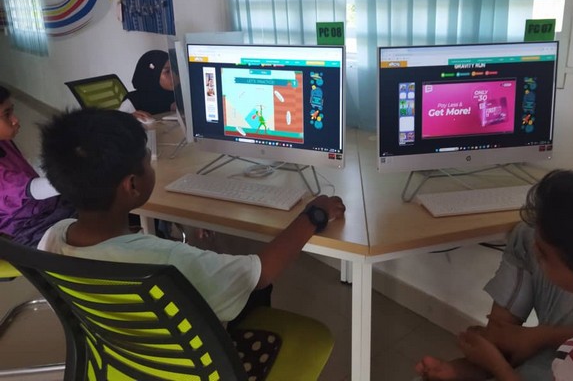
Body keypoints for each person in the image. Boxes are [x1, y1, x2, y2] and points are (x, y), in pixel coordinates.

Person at [37, 107, 346, 324]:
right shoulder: (166, 263)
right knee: (257, 292)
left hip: (122, 358)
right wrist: (313, 215)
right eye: (147, 159)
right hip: (195, 367)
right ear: (132, 185)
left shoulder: (52, 239)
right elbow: (260, 273)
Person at [416, 160, 573, 381]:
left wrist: (497, 366)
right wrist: (539, 336)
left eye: (543, 255)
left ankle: (495, 360)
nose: (534, 250)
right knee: (526, 232)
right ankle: (499, 346)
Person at [0, 86, 76, 247]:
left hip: (51, 206)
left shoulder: (4, 142)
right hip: (32, 228)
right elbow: (35, 190)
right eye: (7, 115)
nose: (15, 120)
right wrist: (82, 171)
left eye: (12, 111)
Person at [119, 50, 177, 121]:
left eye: (175, 69)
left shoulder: (177, 95)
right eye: (167, 71)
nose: (174, 75)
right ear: (153, 75)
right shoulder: (134, 102)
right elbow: (114, 124)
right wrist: (129, 118)